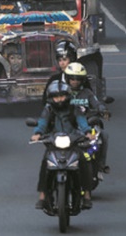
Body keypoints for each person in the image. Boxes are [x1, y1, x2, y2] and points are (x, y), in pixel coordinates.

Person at [31, 80, 96, 210]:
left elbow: (81, 121)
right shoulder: (48, 109)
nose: (59, 99)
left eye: (62, 96)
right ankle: (42, 196)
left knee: (83, 161)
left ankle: (87, 194)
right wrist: (37, 133)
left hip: (73, 140)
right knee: (45, 163)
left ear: (67, 96)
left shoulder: (74, 108)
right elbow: (42, 123)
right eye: (56, 96)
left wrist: (88, 132)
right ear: (51, 98)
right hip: (53, 141)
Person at [65, 62, 111, 175]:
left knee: (104, 135)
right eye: (72, 78)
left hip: (88, 125)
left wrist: (103, 110)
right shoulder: (63, 93)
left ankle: (100, 165)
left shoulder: (87, 93)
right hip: (68, 126)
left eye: (78, 79)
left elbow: (96, 103)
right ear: (67, 79)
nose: (75, 81)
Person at [42, 40, 78, 105]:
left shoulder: (80, 78)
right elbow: (45, 101)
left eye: (64, 60)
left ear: (72, 59)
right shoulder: (53, 79)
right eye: (60, 60)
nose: (62, 63)